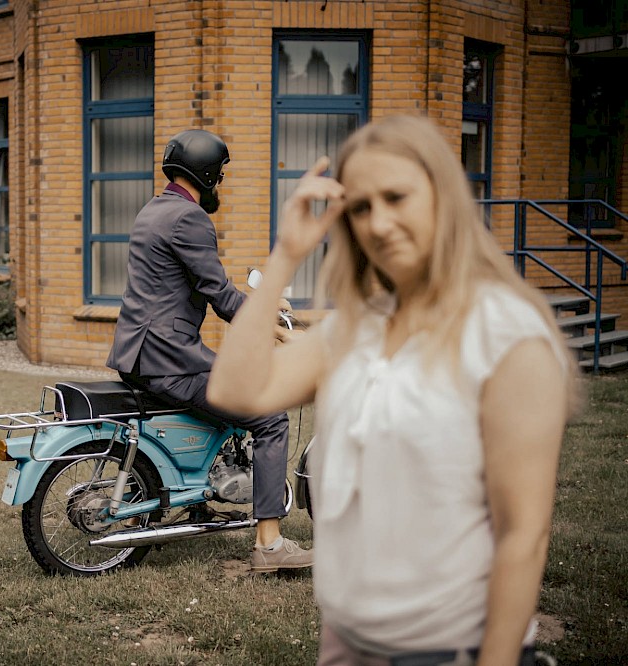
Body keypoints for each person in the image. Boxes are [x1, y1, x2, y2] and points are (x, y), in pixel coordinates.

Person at [208, 114, 576, 665]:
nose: (377, 223)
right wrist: (286, 253)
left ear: (442, 197)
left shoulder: (506, 337)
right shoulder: (354, 328)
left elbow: (523, 538)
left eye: (396, 197)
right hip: (346, 643)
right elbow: (235, 389)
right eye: (360, 206)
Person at [107, 128, 312, 572]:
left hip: (139, 355)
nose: (220, 184)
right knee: (271, 417)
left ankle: (201, 500)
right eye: (219, 176)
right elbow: (220, 297)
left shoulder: (153, 212)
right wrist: (282, 335)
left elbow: (194, 285)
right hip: (171, 360)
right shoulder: (191, 219)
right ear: (207, 174)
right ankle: (271, 545)